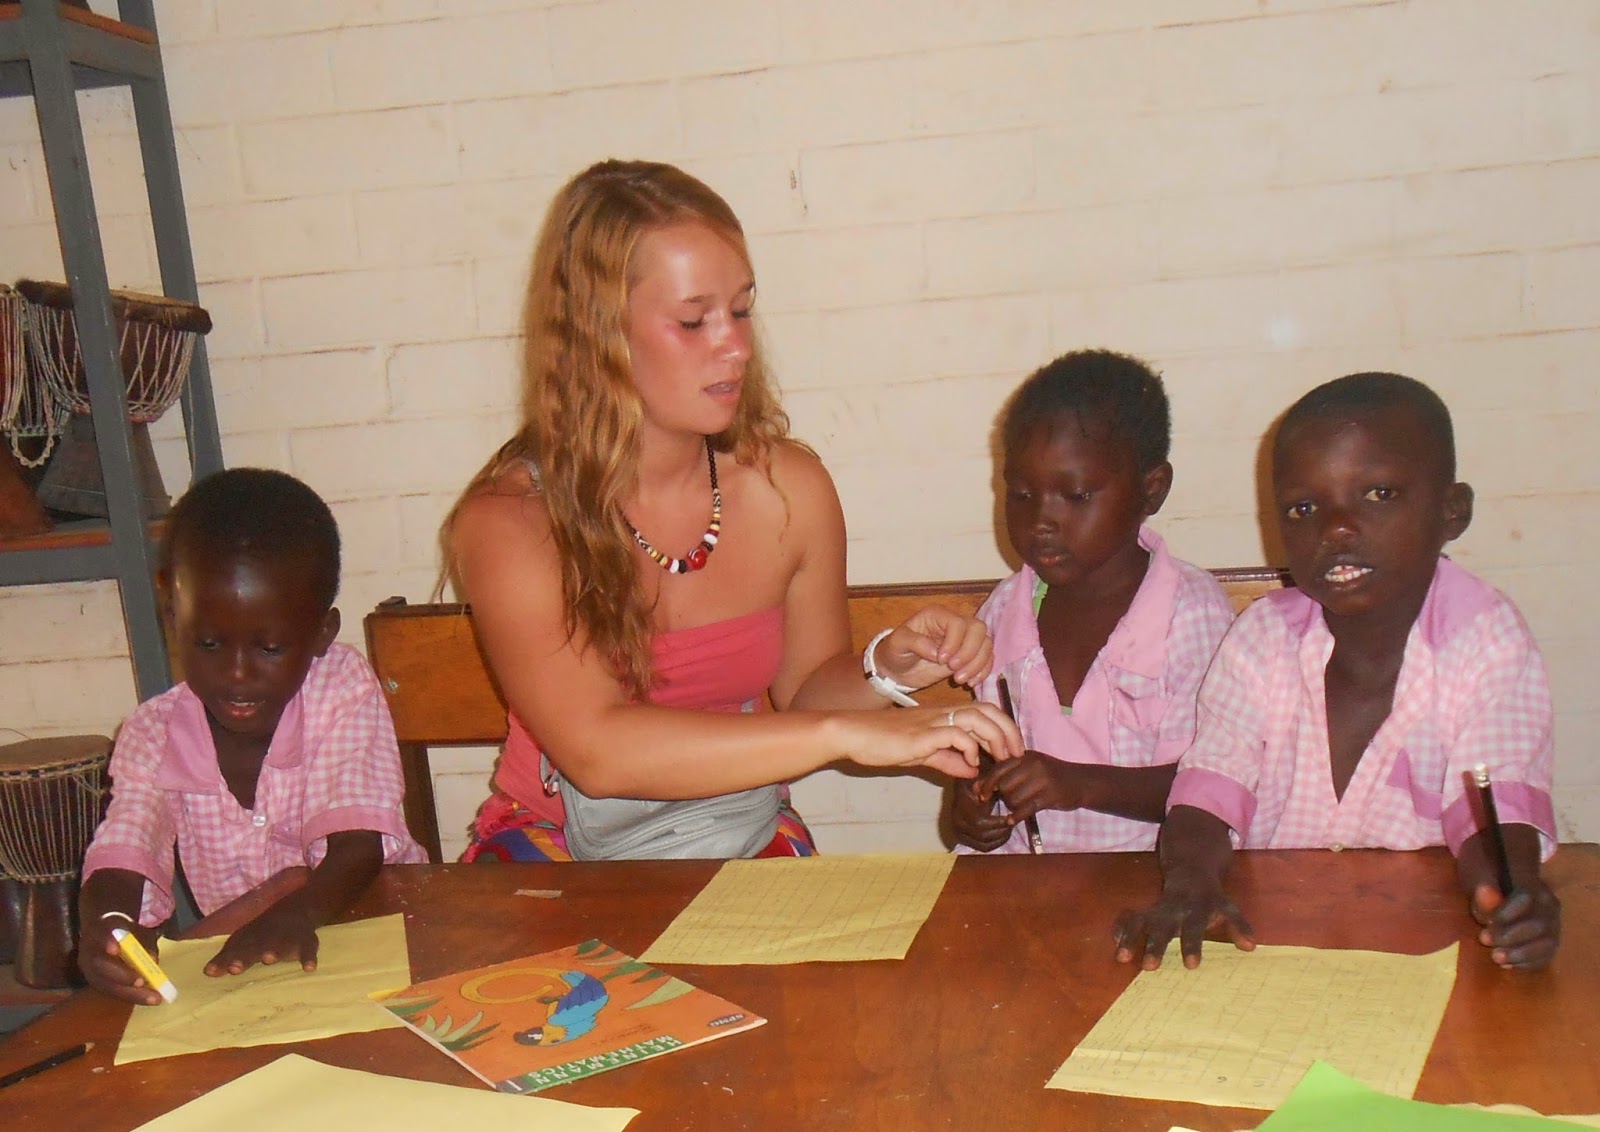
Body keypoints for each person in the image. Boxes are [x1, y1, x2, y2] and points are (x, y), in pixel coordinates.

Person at [446, 159, 1021, 863]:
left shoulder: (788, 489)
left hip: (735, 827)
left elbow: (807, 692)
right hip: (556, 841)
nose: (737, 346)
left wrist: (889, 666)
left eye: (742, 310)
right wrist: (847, 735)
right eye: (694, 321)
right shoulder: (511, 521)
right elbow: (597, 752)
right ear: (599, 337)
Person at [1113, 372, 1561, 971]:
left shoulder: (1487, 641)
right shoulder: (1262, 639)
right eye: (1303, 508)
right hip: (1273, 941)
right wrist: (1191, 882)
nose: (1337, 528)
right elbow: (1209, 791)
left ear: (1451, 512)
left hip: (1429, 949)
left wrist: (1513, 897)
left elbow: (1495, 814)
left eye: (1379, 494)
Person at [79, 468, 427, 1004]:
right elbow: (129, 839)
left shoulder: (341, 689)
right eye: (209, 644)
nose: (237, 674)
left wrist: (299, 913)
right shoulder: (152, 734)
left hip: (383, 930)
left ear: (321, 633)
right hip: (256, 964)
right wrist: (108, 924)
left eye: (269, 649)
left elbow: (357, 845)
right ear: (173, 617)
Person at [952, 350, 1235, 854]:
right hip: (1023, 882)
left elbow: (1211, 782)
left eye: (1076, 495)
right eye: (1021, 494)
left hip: (1151, 879)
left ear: (1152, 490)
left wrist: (1080, 784)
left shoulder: (1192, 616)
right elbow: (987, 752)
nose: (1042, 521)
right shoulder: (1004, 612)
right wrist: (971, 800)